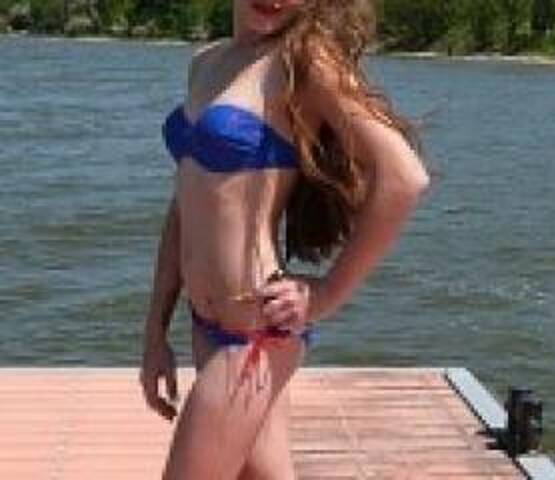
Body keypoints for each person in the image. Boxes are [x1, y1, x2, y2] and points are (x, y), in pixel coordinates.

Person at [139, 0, 432, 478]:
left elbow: (404, 176)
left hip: (253, 332)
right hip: (206, 327)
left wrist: (326, 294)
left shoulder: (304, 61)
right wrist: (155, 334)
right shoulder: (206, 62)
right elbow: (186, 207)